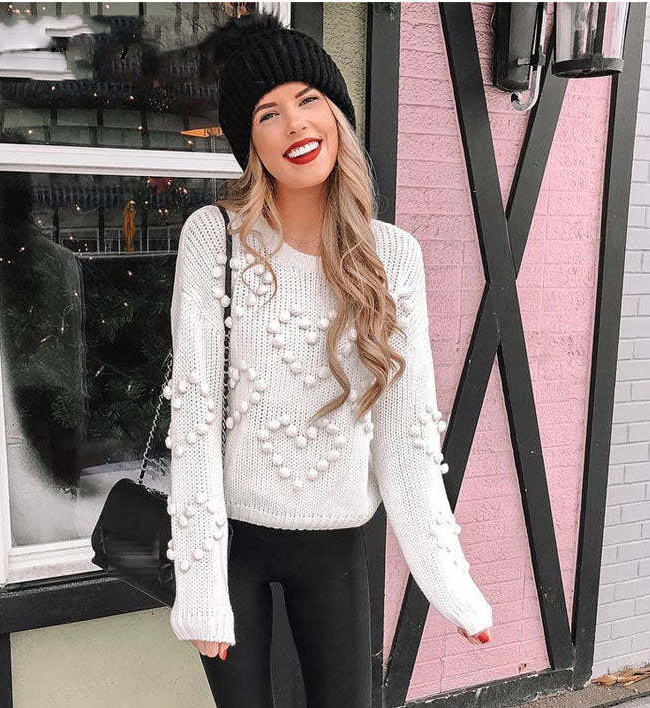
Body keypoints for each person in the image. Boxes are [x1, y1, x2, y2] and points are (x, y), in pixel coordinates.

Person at [166, 9, 493, 707]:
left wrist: (449, 580)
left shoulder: (391, 256)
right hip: (234, 542)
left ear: (337, 115)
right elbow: (195, 418)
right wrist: (199, 586)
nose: (295, 125)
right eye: (268, 114)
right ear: (250, 143)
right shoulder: (215, 239)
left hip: (338, 542)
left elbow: (407, 435)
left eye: (309, 100)